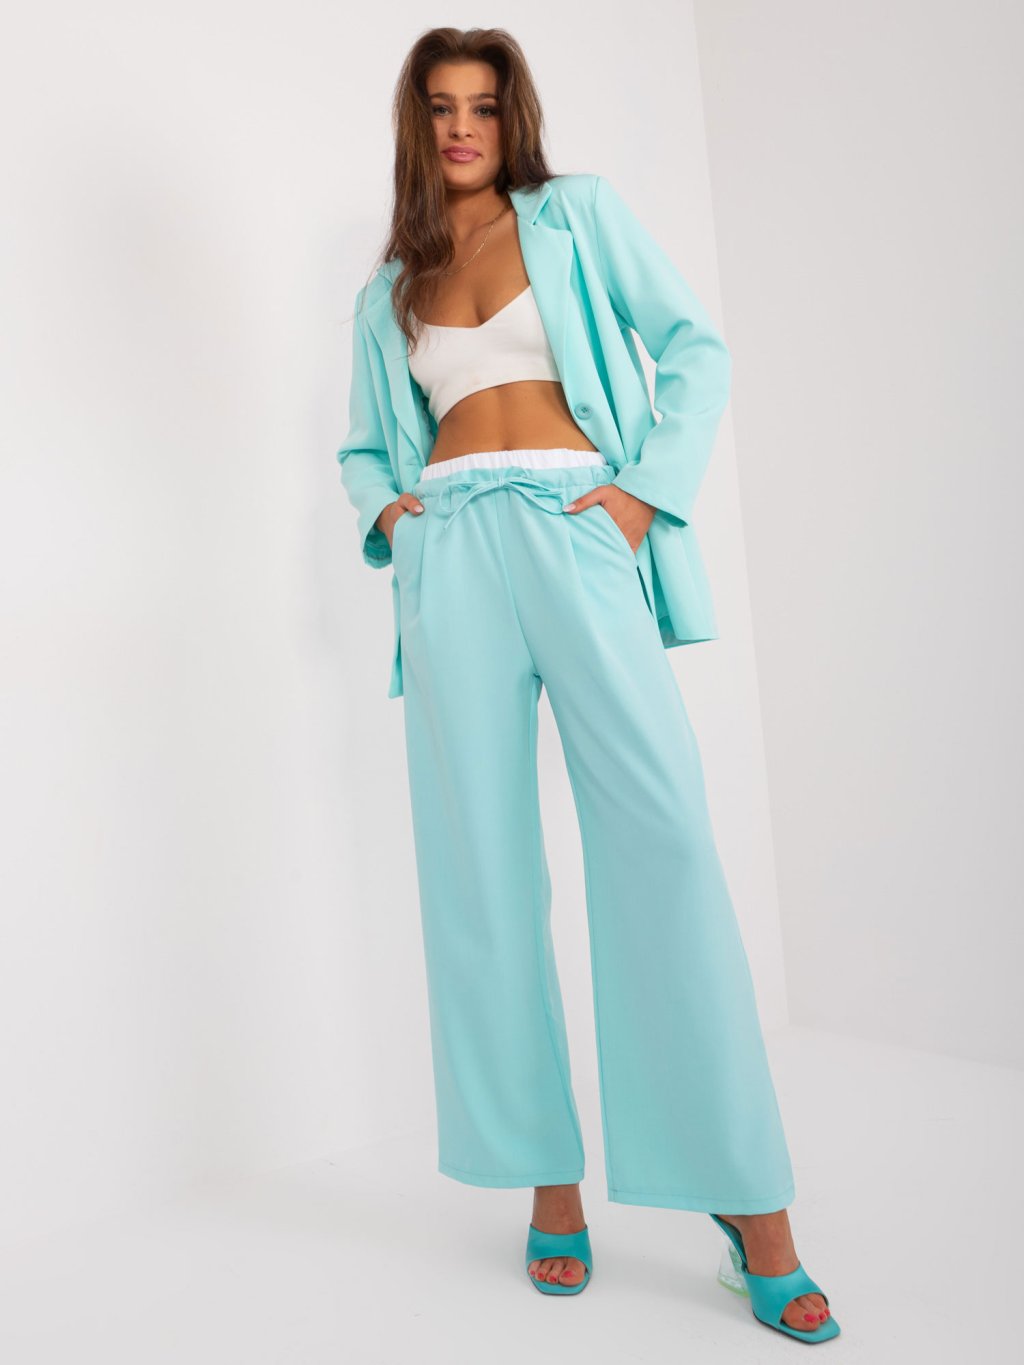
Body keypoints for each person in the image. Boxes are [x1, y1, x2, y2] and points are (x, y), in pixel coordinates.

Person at [335, 26, 839, 1343]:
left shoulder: (577, 217)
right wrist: (396, 524)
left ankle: (752, 1205)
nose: (462, 127)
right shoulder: (391, 285)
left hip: (578, 525)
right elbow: (363, 446)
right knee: (482, 873)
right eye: (440, 107)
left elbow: (695, 348)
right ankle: (547, 1179)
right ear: (416, 122)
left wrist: (640, 499)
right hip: (452, 553)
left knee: (663, 841)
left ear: (514, 117)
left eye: (483, 105)